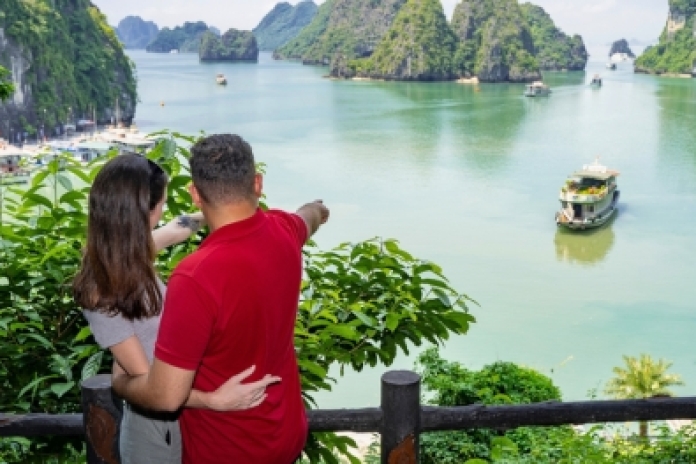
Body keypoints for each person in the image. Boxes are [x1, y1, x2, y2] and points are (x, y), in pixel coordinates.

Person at [112, 134, 330, 463]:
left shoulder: (195, 277)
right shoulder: (284, 230)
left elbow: (167, 396)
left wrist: (121, 382)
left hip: (226, 446)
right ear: (257, 183)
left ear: (195, 194)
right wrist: (320, 208)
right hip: (284, 435)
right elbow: (308, 217)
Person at [74, 153, 280, 464]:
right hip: (155, 430)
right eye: (162, 205)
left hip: (182, 410)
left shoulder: (127, 252)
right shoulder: (99, 290)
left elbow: (177, 229)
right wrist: (214, 401)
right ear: (146, 210)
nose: (163, 213)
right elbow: (149, 384)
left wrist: (217, 212)